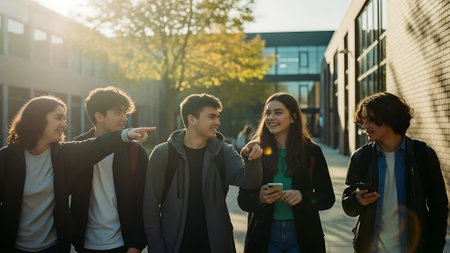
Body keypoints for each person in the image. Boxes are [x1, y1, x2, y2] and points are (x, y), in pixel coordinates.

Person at [0, 95, 154, 253]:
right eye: (58, 118)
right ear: (37, 119)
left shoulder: (63, 154)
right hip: (13, 246)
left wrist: (128, 134)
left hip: (53, 247)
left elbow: (97, 146)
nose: (64, 124)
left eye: (65, 119)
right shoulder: (6, 158)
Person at [143, 93, 263, 253]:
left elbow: (250, 182)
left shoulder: (224, 152)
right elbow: (150, 205)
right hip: (174, 246)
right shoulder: (163, 154)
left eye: (218, 117)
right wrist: (156, 246)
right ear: (191, 119)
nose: (218, 122)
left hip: (216, 245)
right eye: (212, 117)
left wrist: (252, 159)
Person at [342, 92, 448, 253]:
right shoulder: (361, 157)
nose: (364, 126)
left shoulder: (423, 154)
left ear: (388, 117)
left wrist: (434, 248)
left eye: (369, 120)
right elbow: (348, 207)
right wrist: (356, 199)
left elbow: (439, 207)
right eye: (363, 121)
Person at [237, 92, 335, 253]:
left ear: (293, 117)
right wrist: (260, 198)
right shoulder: (256, 151)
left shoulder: (312, 151)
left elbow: (327, 198)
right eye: (267, 113)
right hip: (265, 235)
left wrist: (303, 197)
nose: (271, 117)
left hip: (303, 235)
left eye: (278, 112)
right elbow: (243, 200)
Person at [70, 87, 148, 253]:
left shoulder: (135, 152)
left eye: (125, 113)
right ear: (99, 116)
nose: (124, 118)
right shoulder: (77, 148)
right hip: (84, 244)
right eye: (118, 112)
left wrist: (137, 244)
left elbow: (144, 200)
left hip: (123, 245)